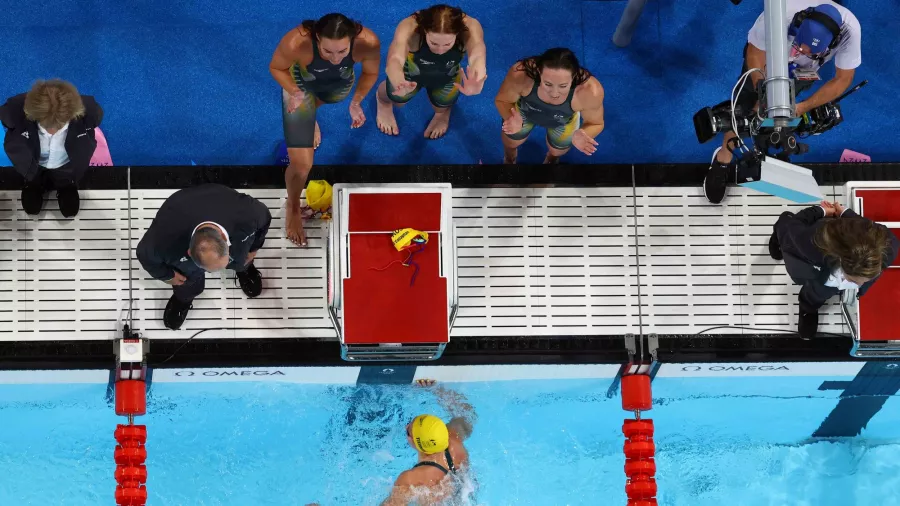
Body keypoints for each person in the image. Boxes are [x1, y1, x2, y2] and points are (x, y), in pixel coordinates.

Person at [703, 1, 861, 204]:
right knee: (744, 113)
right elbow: (755, 52)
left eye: (810, 51)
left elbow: (842, 79)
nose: (800, 51)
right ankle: (722, 159)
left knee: (784, 111)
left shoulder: (850, 31)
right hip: (766, 60)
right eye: (799, 45)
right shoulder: (778, 13)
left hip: (802, 72)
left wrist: (804, 107)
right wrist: (763, 92)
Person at [269, 13, 381, 248]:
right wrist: (296, 93)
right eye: (327, 51)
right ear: (317, 38)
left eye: (342, 52)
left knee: (325, 101)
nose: (334, 58)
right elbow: (277, 67)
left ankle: (311, 116)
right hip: (301, 86)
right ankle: (293, 207)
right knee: (302, 165)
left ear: (351, 41)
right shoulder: (296, 42)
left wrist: (356, 102)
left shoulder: (367, 42)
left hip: (338, 87)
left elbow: (370, 73)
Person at [136, 184, 272, 330]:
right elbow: (144, 255)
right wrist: (167, 276)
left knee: (243, 258)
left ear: (226, 240)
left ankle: (244, 268)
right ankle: (184, 298)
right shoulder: (163, 239)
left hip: (225, 212)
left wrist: (254, 248)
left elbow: (265, 218)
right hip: (181, 219)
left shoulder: (249, 213)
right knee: (186, 281)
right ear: (189, 252)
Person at [769, 200, 899, 339]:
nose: (860, 285)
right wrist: (821, 211)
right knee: (785, 225)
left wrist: (844, 212)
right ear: (841, 265)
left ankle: (809, 307)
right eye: (853, 280)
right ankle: (777, 233)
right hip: (816, 254)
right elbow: (794, 225)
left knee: (818, 293)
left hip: (830, 268)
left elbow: (867, 228)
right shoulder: (810, 243)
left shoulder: (889, 245)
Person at [376, 4, 487, 139]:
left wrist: (478, 81)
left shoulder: (470, 28)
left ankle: (442, 114)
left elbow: (477, 55)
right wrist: (399, 81)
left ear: (457, 34)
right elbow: (395, 59)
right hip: (412, 72)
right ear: (425, 31)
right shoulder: (410, 28)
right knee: (397, 98)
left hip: (446, 74)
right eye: (434, 43)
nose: (440, 50)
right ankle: (382, 101)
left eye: (447, 44)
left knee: (443, 104)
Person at [0, 79, 104, 217]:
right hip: (32, 163)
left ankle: (66, 185)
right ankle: (32, 184)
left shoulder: (90, 111)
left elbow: (95, 119)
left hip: (65, 164)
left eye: (59, 126)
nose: (51, 132)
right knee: (32, 189)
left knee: (68, 199)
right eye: (46, 126)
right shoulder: (14, 110)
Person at [494, 47, 605, 165]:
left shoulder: (590, 92)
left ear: (573, 78)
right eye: (548, 84)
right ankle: (510, 158)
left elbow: (596, 123)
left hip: (564, 120)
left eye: (563, 86)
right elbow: (502, 100)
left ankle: (551, 159)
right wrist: (510, 117)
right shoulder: (521, 75)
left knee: (557, 151)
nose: (554, 93)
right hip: (523, 112)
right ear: (539, 73)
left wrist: (583, 133)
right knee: (511, 141)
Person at [380, 379, 476, 506]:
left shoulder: (411, 479)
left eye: (409, 431)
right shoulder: (455, 440)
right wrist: (437, 389)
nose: (406, 427)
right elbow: (469, 413)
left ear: (416, 443)